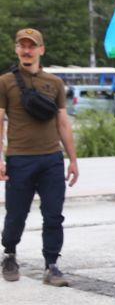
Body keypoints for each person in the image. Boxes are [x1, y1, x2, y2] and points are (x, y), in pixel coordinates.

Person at [0, 27, 78, 286]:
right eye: (22, 45)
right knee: (16, 214)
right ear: (16, 49)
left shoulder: (54, 83)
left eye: (31, 45)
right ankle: (9, 253)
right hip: (19, 158)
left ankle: (52, 264)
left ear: (41, 50)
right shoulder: (6, 82)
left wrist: (73, 160)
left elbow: (63, 123)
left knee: (54, 214)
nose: (26, 50)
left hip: (51, 159)